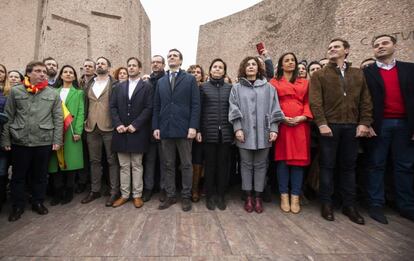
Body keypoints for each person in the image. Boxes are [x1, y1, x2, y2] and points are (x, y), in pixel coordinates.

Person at [309, 38, 373, 225]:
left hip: (352, 126)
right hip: (330, 126)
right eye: (329, 47)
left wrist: (364, 123)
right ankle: (326, 203)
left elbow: (366, 100)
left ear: (346, 50)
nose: (332, 49)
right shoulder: (319, 75)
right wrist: (321, 123)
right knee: (327, 166)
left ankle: (349, 205)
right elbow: (315, 102)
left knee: (349, 167)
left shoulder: (357, 74)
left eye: (336, 47)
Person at [2, 61, 63, 222]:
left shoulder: (52, 94)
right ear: (29, 73)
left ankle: (38, 201)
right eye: (37, 71)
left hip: (43, 141)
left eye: (44, 71)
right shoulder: (16, 92)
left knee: (41, 175)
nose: (42, 73)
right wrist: (5, 139)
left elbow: (58, 118)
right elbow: (8, 117)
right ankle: (17, 205)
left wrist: (57, 140)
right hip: (20, 140)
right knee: (18, 176)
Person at [363, 34, 414, 223]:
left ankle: (406, 205)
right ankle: (376, 204)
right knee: (376, 164)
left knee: (405, 166)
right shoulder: (367, 72)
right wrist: (366, 123)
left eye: (385, 43)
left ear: (394, 45)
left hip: (405, 124)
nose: (380, 47)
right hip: (380, 124)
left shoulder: (410, 69)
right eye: (376, 45)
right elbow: (363, 100)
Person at [229, 56, 284, 213]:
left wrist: (274, 129)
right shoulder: (236, 88)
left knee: (261, 165)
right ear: (243, 69)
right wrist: (237, 128)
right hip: (244, 133)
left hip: (264, 133)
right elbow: (234, 109)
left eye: (254, 64)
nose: (251, 67)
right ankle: (248, 197)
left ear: (259, 68)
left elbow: (275, 109)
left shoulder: (269, 88)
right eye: (248, 65)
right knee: (245, 165)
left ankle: (258, 197)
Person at [152, 48, 200, 212]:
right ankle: (171, 195)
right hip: (165, 129)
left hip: (185, 129)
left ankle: (186, 196)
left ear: (180, 61)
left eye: (175, 56)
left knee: (186, 164)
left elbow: (195, 105)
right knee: (168, 164)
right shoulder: (161, 82)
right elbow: (157, 106)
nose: (172, 58)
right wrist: (156, 126)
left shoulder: (189, 79)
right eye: (169, 56)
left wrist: (193, 126)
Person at [270, 53, 313, 214]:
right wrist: (281, 117)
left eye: (292, 60)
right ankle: (283, 195)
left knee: (298, 162)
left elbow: (309, 102)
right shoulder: (273, 82)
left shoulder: (305, 82)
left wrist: (303, 116)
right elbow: (271, 103)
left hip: (300, 125)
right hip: (282, 124)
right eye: (286, 60)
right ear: (281, 65)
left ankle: (295, 195)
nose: (290, 63)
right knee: (282, 161)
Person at [110, 57, 153, 208]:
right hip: (121, 132)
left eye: (134, 65)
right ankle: (124, 194)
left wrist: (136, 125)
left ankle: (137, 195)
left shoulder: (147, 87)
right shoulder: (118, 87)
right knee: (123, 166)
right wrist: (118, 124)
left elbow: (149, 108)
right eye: (129, 65)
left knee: (136, 165)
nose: (131, 68)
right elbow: (113, 107)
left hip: (138, 131)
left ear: (140, 69)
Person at [81, 56, 120, 207]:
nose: (99, 65)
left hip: (109, 126)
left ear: (109, 67)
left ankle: (113, 192)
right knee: (94, 161)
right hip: (91, 127)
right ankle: (95, 190)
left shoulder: (115, 84)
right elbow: (85, 104)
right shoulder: (89, 83)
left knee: (112, 161)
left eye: (103, 63)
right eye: (98, 63)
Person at [197, 58, 233, 210]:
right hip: (208, 132)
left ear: (224, 71)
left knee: (223, 166)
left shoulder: (231, 88)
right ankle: (210, 196)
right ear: (210, 70)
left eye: (220, 67)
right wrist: (198, 130)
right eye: (215, 67)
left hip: (225, 132)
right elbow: (198, 110)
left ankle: (221, 196)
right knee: (210, 166)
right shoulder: (203, 87)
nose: (217, 69)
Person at [48, 65, 84, 205]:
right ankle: (57, 192)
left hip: (71, 131)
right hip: (55, 131)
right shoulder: (53, 92)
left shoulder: (79, 93)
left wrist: (78, 131)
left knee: (70, 163)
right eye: (65, 72)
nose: (68, 74)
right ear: (61, 75)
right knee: (55, 163)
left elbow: (80, 113)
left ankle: (69, 191)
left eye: (71, 72)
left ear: (74, 76)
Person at [143, 55, 166, 202]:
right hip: (149, 127)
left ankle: (163, 188)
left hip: (165, 127)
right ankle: (148, 188)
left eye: (158, 62)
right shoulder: (146, 82)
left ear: (163, 65)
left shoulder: (167, 80)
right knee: (149, 160)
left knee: (165, 161)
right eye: (153, 62)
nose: (155, 64)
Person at [187, 64, 205, 202]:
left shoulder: (204, 89)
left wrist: (198, 129)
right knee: (184, 160)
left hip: (199, 130)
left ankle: (195, 189)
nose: (195, 74)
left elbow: (202, 112)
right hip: (184, 130)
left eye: (198, 72)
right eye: (192, 72)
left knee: (197, 160)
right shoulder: (184, 88)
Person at [0, 64, 11, 212]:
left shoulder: (9, 93)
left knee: (2, 170)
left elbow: (10, 116)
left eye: (1, 71)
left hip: (2, 133)